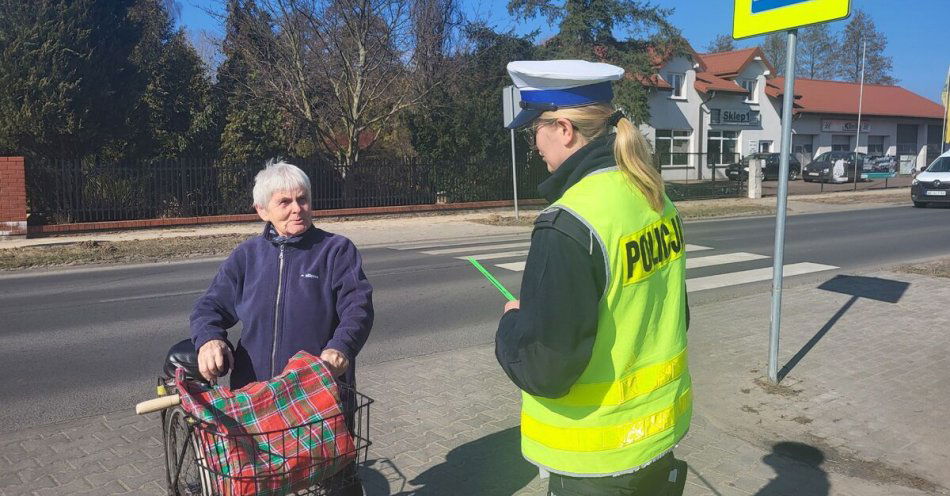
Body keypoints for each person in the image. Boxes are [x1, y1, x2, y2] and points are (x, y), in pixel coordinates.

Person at [495, 60, 691, 495]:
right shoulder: (653, 196)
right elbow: (674, 312)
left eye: (535, 130)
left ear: (564, 129)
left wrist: (511, 325)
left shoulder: (567, 222)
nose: (534, 143)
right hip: (658, 437)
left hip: (597, 460)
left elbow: (546, 369)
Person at [190, 159, 373, 493]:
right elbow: (210, 306)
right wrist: (209, 339)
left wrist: (341, 347)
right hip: (258, 397)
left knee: (336, 480)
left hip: (317, 393)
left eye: (303, 199)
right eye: (285, 202)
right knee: (259, 480)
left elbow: (357, 308)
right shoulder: (246, 256)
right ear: (262, 210)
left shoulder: (336, 250)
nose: (297, 209)